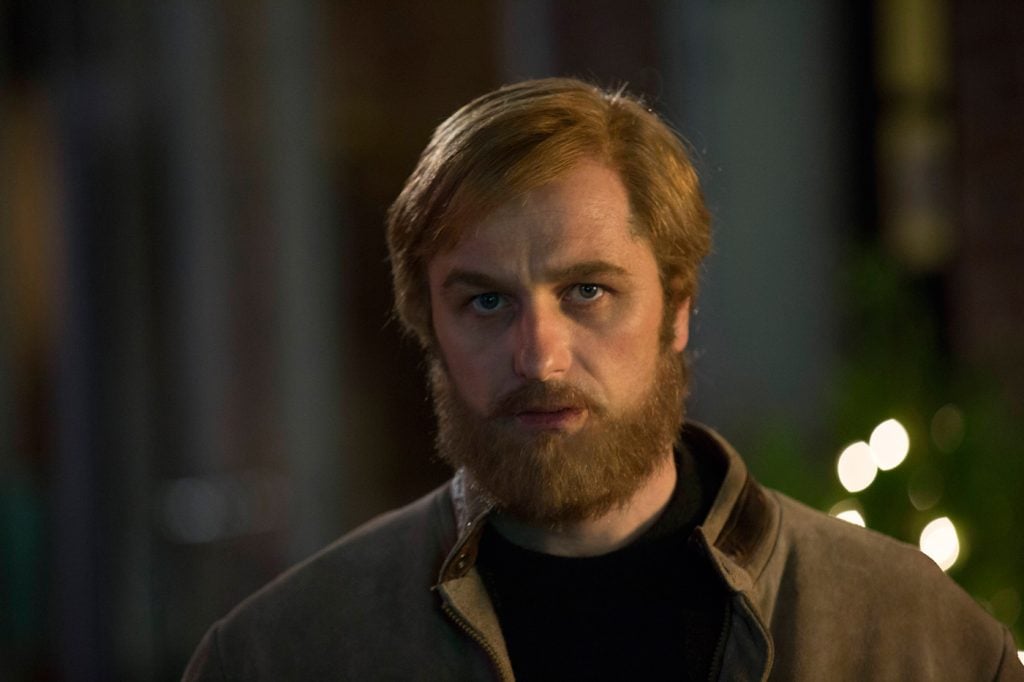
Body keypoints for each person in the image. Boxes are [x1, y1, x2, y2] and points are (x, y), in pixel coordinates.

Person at [183, 78, 1022, 680]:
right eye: (485, 302)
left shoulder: (911, 636)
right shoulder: (285, 653)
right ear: (428, 325)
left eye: (587, 291)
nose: (539, 357)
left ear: (677, 308)